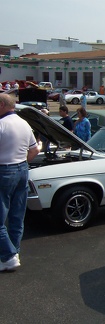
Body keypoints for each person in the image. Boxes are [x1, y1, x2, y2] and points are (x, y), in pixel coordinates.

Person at [0, 93, 40, 271]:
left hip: (4, 171)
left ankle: (9, 256)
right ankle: (12, 253)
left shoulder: (1, 124)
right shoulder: (24, 124)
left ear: (2, 105)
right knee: (17, 216)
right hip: (22, 169)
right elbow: (34, 150)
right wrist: (22, 163)